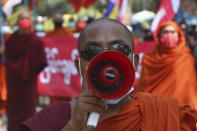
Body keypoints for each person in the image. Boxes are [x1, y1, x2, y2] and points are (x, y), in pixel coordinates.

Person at [21, 18, 197, 131]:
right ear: (78, 65)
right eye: (92, 51)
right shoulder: (56, 117)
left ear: (135, 63)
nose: (105, 59)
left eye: (119, 49)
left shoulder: (166, 114)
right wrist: (74, 125)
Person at [136, 21, 197, 110]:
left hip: (180, 111)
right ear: (159, 36)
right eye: (166, 32)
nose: (169, 35)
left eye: (172, 32)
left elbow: (189, 90)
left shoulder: (186, 57)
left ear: (178, 35)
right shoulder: (149, 58)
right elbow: (143, 86)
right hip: (153, 109)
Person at [5, 11, 47, 131]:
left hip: (28, 84)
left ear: (30, 21)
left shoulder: (35, 41)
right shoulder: (10, 41)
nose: (24, 20)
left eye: (27, 18)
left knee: (28, 115)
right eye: (22, 18)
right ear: (18, 21)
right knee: (14, 115)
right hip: (14, 84)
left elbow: (41, 62)